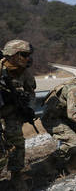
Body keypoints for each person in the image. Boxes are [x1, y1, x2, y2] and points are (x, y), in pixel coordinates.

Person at [0, 40, 36, 190]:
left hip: (12, 114)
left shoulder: (24, 72)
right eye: (24, 55)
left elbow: (31, 93)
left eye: (29, 55)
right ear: (13, 55)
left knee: (18, 144)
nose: (28, 58)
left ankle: (16, 176)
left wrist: (28, 107)